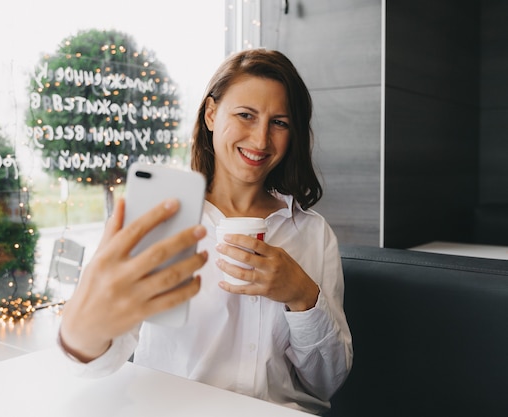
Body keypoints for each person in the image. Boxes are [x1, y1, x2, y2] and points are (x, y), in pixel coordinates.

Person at [58, 48, 353, 415]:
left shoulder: (312, 233)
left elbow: (328, 381)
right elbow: (97, 363)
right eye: (246, 115)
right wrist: (82, 328)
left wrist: (302, 295)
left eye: (280, 122)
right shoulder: (164, 219)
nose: (261, 140)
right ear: (211, 114)